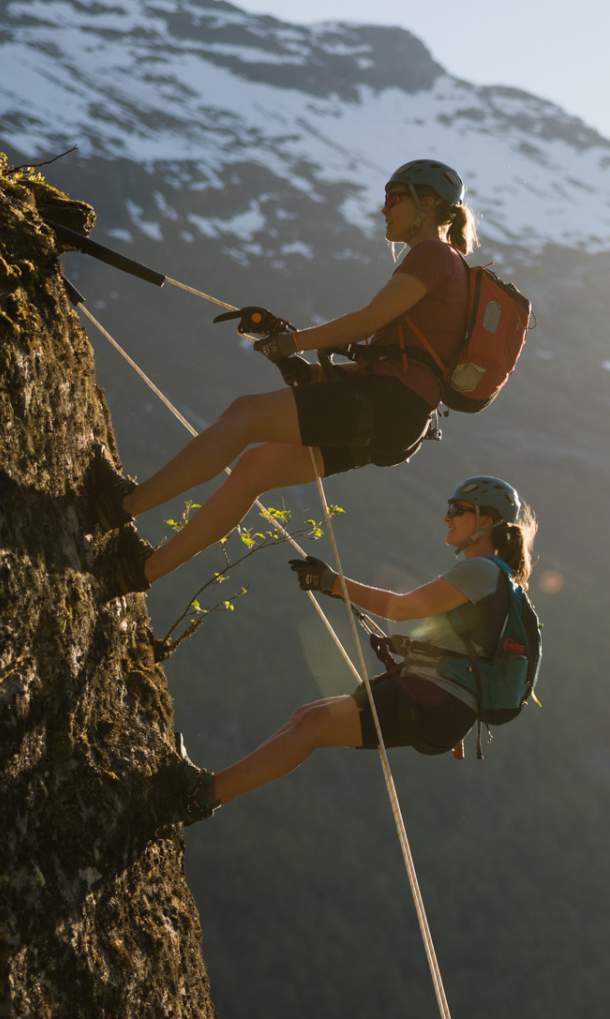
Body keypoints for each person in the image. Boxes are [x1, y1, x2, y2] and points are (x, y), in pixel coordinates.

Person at [86, 159, 480, 594]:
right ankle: (138, 572)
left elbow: (369, 321)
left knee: (245, 415)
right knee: (255, 468)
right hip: (400, 421)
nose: (383, 209)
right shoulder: (453, 267)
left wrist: (293, 343)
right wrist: (301, 365)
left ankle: (117, 506)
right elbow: (398, 363)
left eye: (393, 198)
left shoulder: (432, 255)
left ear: (427, 203)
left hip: (387, 402)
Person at [150, 476, 536, 824]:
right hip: (439, 703)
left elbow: (401, 608)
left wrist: (333, 583)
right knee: (308, 718)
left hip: (436, 701)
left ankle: (198, 796)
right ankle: (203, 791)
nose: (447, 518)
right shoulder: (497, 578)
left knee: (312, 725)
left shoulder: (482, 571)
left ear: (486, 521)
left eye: (458, 510)